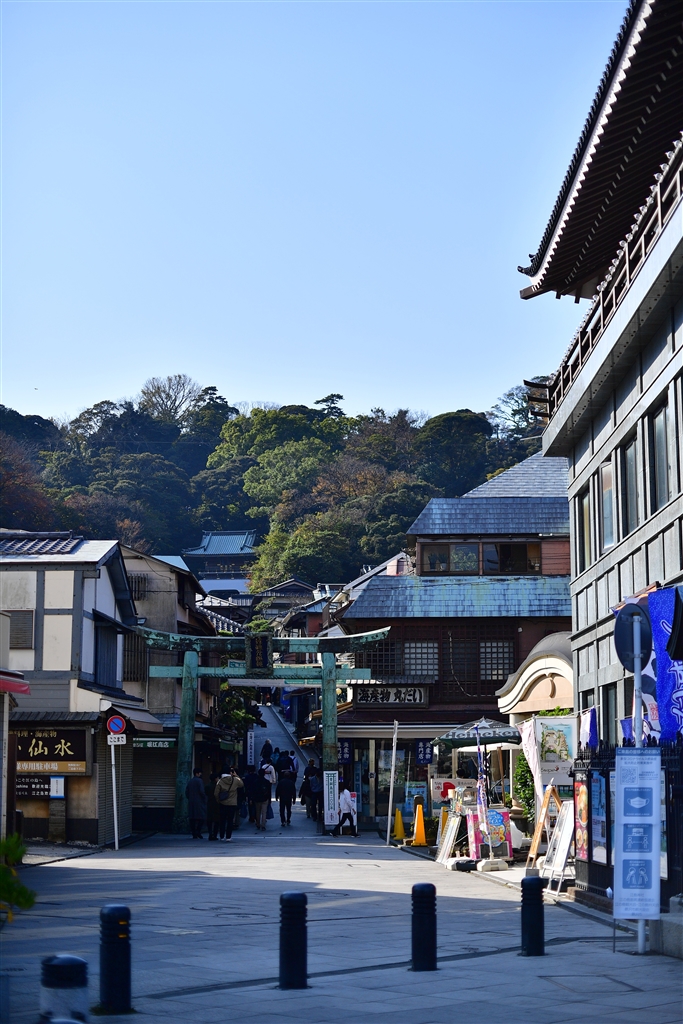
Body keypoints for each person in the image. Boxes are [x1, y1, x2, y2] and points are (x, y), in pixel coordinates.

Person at [214, 768, 244, 842]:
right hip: (232, 803)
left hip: (223, 803)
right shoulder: (235, 780)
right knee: (230, 820)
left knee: (222, 820)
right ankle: (228, 837)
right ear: (230, 773)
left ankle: (221, 836)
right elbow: (241, 784)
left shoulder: (220, 781)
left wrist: (218, 800)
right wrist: (236, 775)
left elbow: (216, 793)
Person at [185, 768, 206, 839]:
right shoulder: (200, 781)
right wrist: (204, 798)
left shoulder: (190, 781)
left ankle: (194, 833)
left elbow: (187, 792)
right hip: (199, 802)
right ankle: (198, 831)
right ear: (197, 773)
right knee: (202, 817)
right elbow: (202, 791)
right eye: (200, 773)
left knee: (192, 818)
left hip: (191, 801)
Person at [254, 762, 275, 830]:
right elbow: (269, 791)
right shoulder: (267, 782)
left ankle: (258, 823)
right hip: (265, 798)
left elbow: (253, 791)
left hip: (257, 799)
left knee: (258, 812)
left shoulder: (255, 781)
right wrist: (269, 799)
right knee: (264, 812)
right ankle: (263, 824)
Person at [205, 772, 220, 840]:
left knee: (210, 820)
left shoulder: (207, 786)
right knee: (216, 820)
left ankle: (210, 833)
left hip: (210, 803)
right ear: (215, 779)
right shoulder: (218, 786)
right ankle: (215, 834)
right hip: (217, 804)